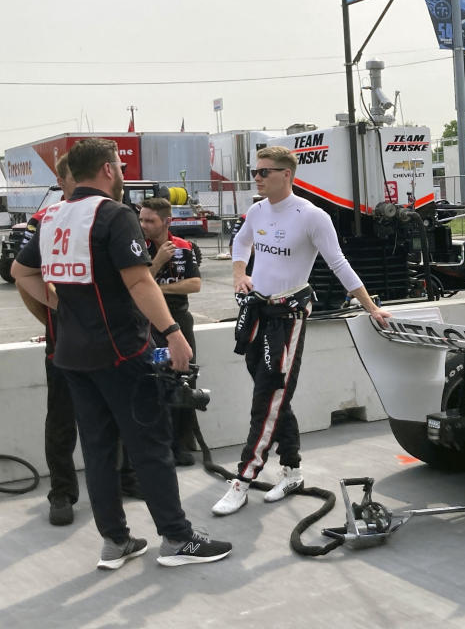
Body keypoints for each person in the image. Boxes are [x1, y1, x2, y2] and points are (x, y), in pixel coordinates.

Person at [12, 138, 231, 570]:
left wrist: (62, 308)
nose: (123, 175)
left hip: (71, 355)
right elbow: (139, 282)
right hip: (121, 352)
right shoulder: (114, 214)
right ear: (108, 170)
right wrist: (172, 333)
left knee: (97, 451)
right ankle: (176, 539)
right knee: (150, 446)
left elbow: (22, 272)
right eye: (119, 167)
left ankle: (115, 542)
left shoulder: (53, 216)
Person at [212, 146, 392, 516]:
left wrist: (370, 306)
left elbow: (339, 264)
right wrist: (238, 273)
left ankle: (243, 479)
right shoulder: (257, 211)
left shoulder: (312, 217)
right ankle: (291, 469)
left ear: (286, 175)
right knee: (275, 396)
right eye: (255, 172)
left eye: (264, 172)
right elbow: (242, 241)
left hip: (287, 316)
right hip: (256, 311)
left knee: (268, 397)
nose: (257, 178)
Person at [16, 154, 141, 526]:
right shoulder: (45, 221)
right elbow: (24, 277)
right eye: (71, 176)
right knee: (61, 421)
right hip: (64, 343)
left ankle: (125, 479)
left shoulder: (113, 212)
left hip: (112, 341)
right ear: (65, 179)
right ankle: (62, 493)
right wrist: (55, 314)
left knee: (120, 416)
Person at [139, 197, 202, 466]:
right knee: (154, 382)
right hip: (149, 323)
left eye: (150, 221)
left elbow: (195, 284)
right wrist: (157, 261)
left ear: (167, 221)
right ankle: (159, 444)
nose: (144, 225)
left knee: (184, 380)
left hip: (179, 320)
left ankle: (181, 443)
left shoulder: (184, 247)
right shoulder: (136, 247)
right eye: (141, 219)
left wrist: (160, 289)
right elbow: (137, 284)